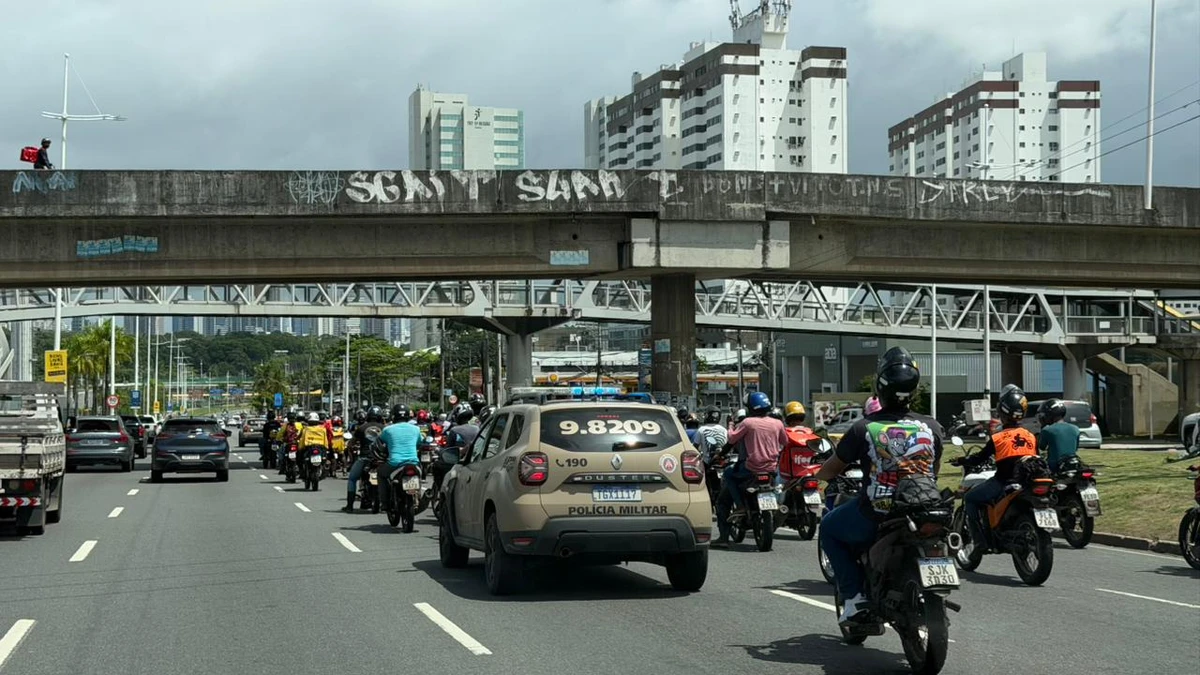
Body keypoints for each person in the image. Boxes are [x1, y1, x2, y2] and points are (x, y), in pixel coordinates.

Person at [815, 346, 944, 624]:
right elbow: (934, 470)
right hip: (926, 506)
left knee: (829, 528)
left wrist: (819, 475)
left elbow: (832, 469)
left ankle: (854, 599)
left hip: (878, 511)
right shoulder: (932, 427)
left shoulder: (863, 428)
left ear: (880, 387)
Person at [957, 384, 1037, 555]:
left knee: (971, 498)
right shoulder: (1030, 435)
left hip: (1003, 482)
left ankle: (980, 542)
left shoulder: (998, 437)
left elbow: (979, 458)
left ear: (1002, 412)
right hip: (1025, 482)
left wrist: (962, 460)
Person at [711, 392, 788, 548]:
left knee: (728, 475)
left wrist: (731, 424)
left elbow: (731, 439)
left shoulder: (747, 423)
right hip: (771, 469)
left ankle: (738, 509)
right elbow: (784, 441)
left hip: (750, 468)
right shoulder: (777, 424)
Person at [376, 404, 422, 510]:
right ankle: (417, 497)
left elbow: (380, 442)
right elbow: (419, 443)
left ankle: (384, 503)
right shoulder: (416, 429)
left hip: (394, 463)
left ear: (393, 416)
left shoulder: (388, 430)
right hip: (413, 462)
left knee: (381, 474)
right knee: (419, 475)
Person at [343, 406, 386, 512]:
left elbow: (352, 442)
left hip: (365, 458)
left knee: (352, 479)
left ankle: (349, 506)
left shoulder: (361, 428)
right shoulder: (385, 429)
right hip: (381, 459)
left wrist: (350, 449)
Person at [1036, 399, 1078, 473]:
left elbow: (1042, 447)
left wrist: (1043, 427)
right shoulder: (1075, 428)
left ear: (1049, 414)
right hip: (1073, 464)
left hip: (1054, 466)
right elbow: (1075, 448)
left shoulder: (1047, 430)